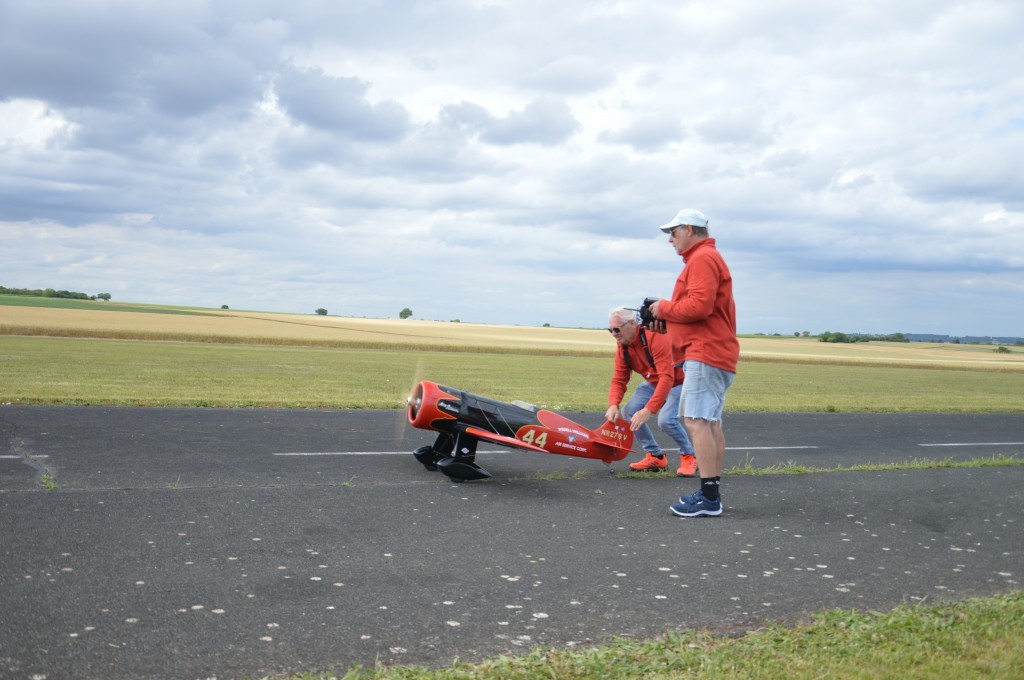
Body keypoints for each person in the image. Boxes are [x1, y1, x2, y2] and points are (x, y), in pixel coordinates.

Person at [649, 209, 739, 517]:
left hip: (705, 352)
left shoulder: (702, 258)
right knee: (709, 422)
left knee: (696, 421)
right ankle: (709, 492)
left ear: (690, 229)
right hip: (715, 351)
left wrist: (661, 308)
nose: (670, 239)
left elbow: (699, 307)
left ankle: (710, 498)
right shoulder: (707, 258)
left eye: (673, 232)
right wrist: (667, 319)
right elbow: (700, 310)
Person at [604, 307, 697, 476]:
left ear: (632, 324)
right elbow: (619, 379)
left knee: (666, 420)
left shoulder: (653, 336)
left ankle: (689, 455)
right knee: (629, 411)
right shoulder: (623, 347)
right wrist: (613, 404)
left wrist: (649, 410)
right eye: (610, 330)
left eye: (617, 329)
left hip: (679, 381)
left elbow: (667, 377)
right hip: (655, 382)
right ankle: (656, 456)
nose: (614, 334)